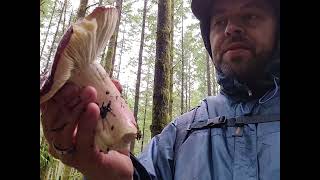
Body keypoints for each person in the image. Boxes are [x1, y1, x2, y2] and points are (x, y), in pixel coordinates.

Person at [40, 0, 280, 179]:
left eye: (249, 16)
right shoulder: (179, 134)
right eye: (219, 21)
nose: (230, 29)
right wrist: (110, 174)